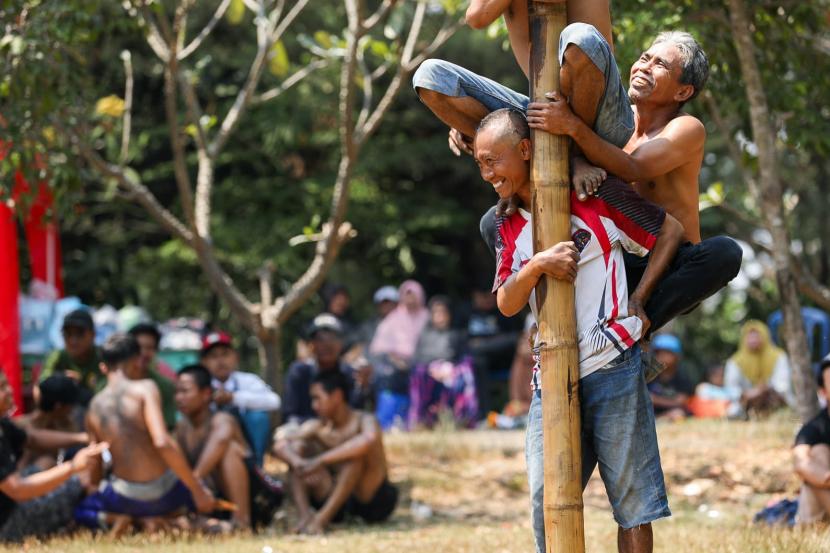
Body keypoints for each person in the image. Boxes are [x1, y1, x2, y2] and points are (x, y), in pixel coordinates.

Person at [475, 109, 684, 553]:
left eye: (493, 160)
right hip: (548, 374)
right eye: (480, 163)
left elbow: (671, 231)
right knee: (545, 500)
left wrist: (640, 300)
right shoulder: (505, 220)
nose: (486, 173)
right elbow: (507, 303)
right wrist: (538, 265)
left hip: (613, 364)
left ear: (526, 150)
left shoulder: (594, 193)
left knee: (633, 503)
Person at [74, 334, 215, 530]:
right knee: (204, 496)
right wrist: (196, 489)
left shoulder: (94, 407)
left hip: (125, 497)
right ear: (136, 361)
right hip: (167, 493)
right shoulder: (145, 389)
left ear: (103, 367)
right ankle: (168, 518)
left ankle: (124, 519)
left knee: (80, 510)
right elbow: (162, 442)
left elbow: (94, 462)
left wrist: (95, 490)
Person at [273, 370, 398, 534]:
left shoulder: (364, 421)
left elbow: (368, 440)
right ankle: (304, 517)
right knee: (298, 449)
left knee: (354, 458)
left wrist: (320, 461)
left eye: (318, 398)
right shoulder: (318, 427)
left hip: (372, 501)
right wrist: (299, 462)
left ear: (337, 396)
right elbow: (280, 444)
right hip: (339, 501)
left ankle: (321, 520)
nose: (313, 405)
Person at [0, 370, 107, 542]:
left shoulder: (4, 425)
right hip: (6, 523)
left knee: (47, 462)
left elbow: (32, 438)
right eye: (2, 387)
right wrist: (72, 468)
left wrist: (82, 438)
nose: (9, 390)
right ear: (59, 406)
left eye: (7, 384)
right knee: (82, 479)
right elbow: (17, 489)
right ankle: (99, 518)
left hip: (10, 501)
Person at [175, 364, 284, 530]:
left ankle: (241, 522)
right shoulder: (182, 428)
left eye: (185, 391)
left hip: (256, 501)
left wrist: (194, 484)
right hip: (214, 502)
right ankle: (221, 526)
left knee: (230, 451)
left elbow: (221, 439)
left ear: (206, 394)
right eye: (176, 392)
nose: (179, 397)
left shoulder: (223, 420)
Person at [200, 331, 281, 465]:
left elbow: (274, 401)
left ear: (235, 357)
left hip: (246, 441)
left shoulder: (248, 380)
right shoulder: (201, 385)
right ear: (204, 362)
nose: (220, 361)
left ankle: (256, 467)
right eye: (213, 356)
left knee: (258, 418)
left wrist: (234, 398)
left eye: (225, 354)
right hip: (212, 441)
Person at [283, 314, 373, 425]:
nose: (326, 344)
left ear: (341, 344)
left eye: (332, 338)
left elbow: (354, 413)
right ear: (311, 344)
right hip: (304, 433)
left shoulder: (349, 374)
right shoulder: (300, 372)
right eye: (320, 339)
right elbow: (290, 416)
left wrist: (362, 386)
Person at [369, 280, 430, 430]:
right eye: (407, 296)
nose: (410, 300)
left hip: (423, 362)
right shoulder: (393, 319)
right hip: (394, 364)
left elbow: (432, 343)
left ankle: (421, 419)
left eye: (413, 295)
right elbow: (379, 347)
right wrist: (396, 360)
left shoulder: (427, 317)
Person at [409, 296, 477, 428]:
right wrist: (434, 369)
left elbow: (464, 359)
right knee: (419, 375)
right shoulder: (424, 336)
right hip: (428, 374)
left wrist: (450, 370)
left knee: (465, 375)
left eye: (443, 312)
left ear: (449, 315)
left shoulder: (456, 335)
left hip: (452, 373)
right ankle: (422, 421)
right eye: (436, 313)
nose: (440, 316)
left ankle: (462, 419)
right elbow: (417, 359)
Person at [724, 320, 794, 416]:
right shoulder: (735, 361)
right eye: (750, 336)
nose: (753, 340)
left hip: (774, 400)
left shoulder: (779, 356)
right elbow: (731, 389)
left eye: (757, 336)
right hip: (747, 402)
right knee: (733, 411)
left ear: (765, 336)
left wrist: (764, 390)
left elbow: (782, 385)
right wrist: (749, 394)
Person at [17, 374, 84, 472]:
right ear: (59, 406)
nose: (72, 410)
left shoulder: (67, 425)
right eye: (70, 406)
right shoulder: (20, 427)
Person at [793, 354, 830, 525]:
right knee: (818, 452)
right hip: (819, 509)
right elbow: (800, 463)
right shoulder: (815, 428)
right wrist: (825, 478)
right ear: (823, 391)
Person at [40, 309, 104, 405]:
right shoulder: (57, 356)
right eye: (68, 334)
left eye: (80, 334)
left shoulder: (103, 357)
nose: (73, 340)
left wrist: (77, 387)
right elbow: (39, 389)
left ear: (93, 334)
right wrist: (60, 381)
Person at [128, 323, 177, 429]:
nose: (143, 353)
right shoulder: (111, 382)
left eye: (149, 348)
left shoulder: (165, 386)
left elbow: (168, 427)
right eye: (139, 347)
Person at [646, 334, 695, 421]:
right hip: (651, 412)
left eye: (666, 353)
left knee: (678, 414)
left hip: (673, 412)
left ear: (677, 356)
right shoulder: (648, 376)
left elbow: (681, 402)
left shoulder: (682, 378)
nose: (662, 357)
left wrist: (655, 399)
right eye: (658, 353)